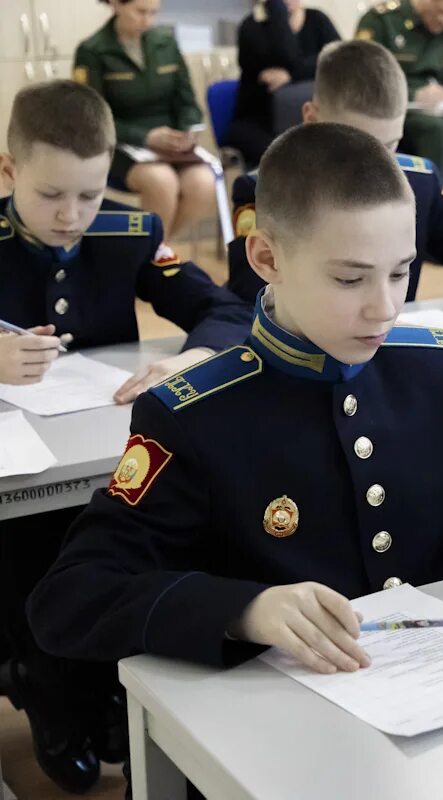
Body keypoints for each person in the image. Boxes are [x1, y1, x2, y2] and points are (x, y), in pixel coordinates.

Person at [28, 122, 443, 690]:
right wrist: (244, 609)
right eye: (350, 277)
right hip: (289, 717)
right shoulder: (194, 414)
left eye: (402, 271)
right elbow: (70, 596)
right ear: (265, 257)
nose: (384, 306)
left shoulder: (438, 367)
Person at [0, 80, 251, 794]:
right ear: (8, 170)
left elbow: (221, 309)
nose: (73, 216)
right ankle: (48, 686)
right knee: (31, 541)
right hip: (20, 469)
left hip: (103, 446)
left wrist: (189, 355)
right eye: (51, 195)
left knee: (125, 534)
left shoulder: (129, 233)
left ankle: (102, 680)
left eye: (89, 193)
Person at [226, 39, 443, 334]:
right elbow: (248, 297)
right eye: (356, 145)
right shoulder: (267, 190)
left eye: (389, 145)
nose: (374, 165)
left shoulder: (417, 181)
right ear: (312, 118)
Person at [74, 0, 214, 238]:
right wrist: (146, 137)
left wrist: (187, 131)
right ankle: (152, 256)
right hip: (118, 147)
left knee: (204, 183)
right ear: (116, 5)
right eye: (140, 12)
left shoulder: (165, 43)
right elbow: (91, 119)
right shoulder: (92, 50)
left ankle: (158, 250)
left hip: (170, 146)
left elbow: (187, 103)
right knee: (162, 182)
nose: (147, 21)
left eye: (153, 13)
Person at [356, 0, 443, 211]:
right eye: (440, 13)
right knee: (436, 128)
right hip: (398, 112)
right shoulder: (382, 20)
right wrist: (414, 94)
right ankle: (432, 215)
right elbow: (364, 80)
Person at [228, 0, 341, 167]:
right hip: (259, 121)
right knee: (290, 159)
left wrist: (291, 76)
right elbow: (287, 55)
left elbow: (337, 59)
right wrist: (277, 11)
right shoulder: (252, 26)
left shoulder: (317, 19)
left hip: (305, 118)